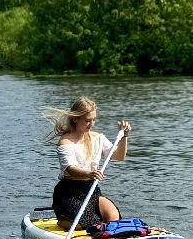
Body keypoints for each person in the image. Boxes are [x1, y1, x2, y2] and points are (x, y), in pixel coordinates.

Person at [41, 97, 132, 230]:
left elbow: (119, 157)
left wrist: (124, 137)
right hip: (69, 191)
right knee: (81, 225)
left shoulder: (98, 137)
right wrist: (89, 173)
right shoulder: (65, 142)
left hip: (91, 189)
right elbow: (70, 169)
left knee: (113, 216)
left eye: (94, 119)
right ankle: (63, 220)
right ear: (75, 119)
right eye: (87, 120)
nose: (92, 123)